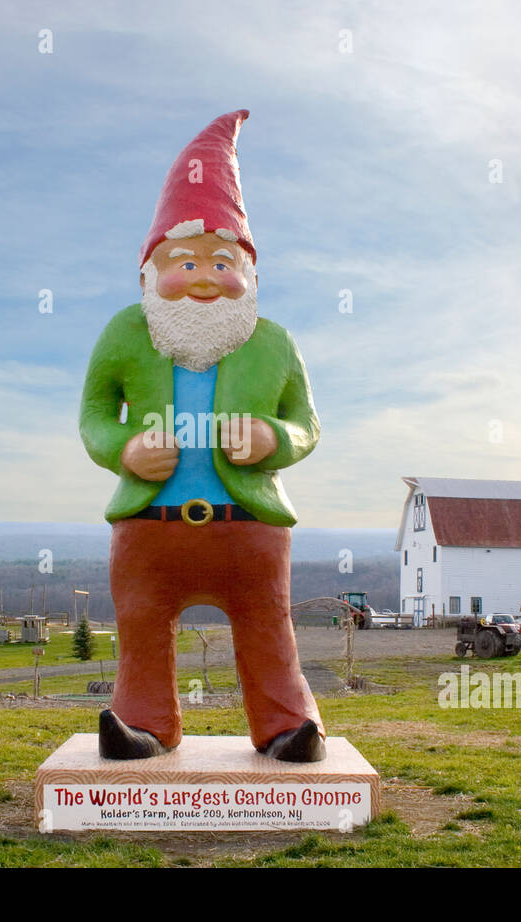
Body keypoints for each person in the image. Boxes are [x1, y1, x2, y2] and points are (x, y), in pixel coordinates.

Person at [79, 110, 325, 762]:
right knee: (141, 627)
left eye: (222, 261)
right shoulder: (125, 335)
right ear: (148, 273)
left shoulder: (273, 342)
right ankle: (144, 725)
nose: (204, 276)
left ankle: (286, 726)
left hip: (248, 524)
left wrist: (275, 439)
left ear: (248, 273)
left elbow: (307, 423)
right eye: (182, 262)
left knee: (269, 625)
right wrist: (125, 450)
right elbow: (95, 417)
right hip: (149, 524)